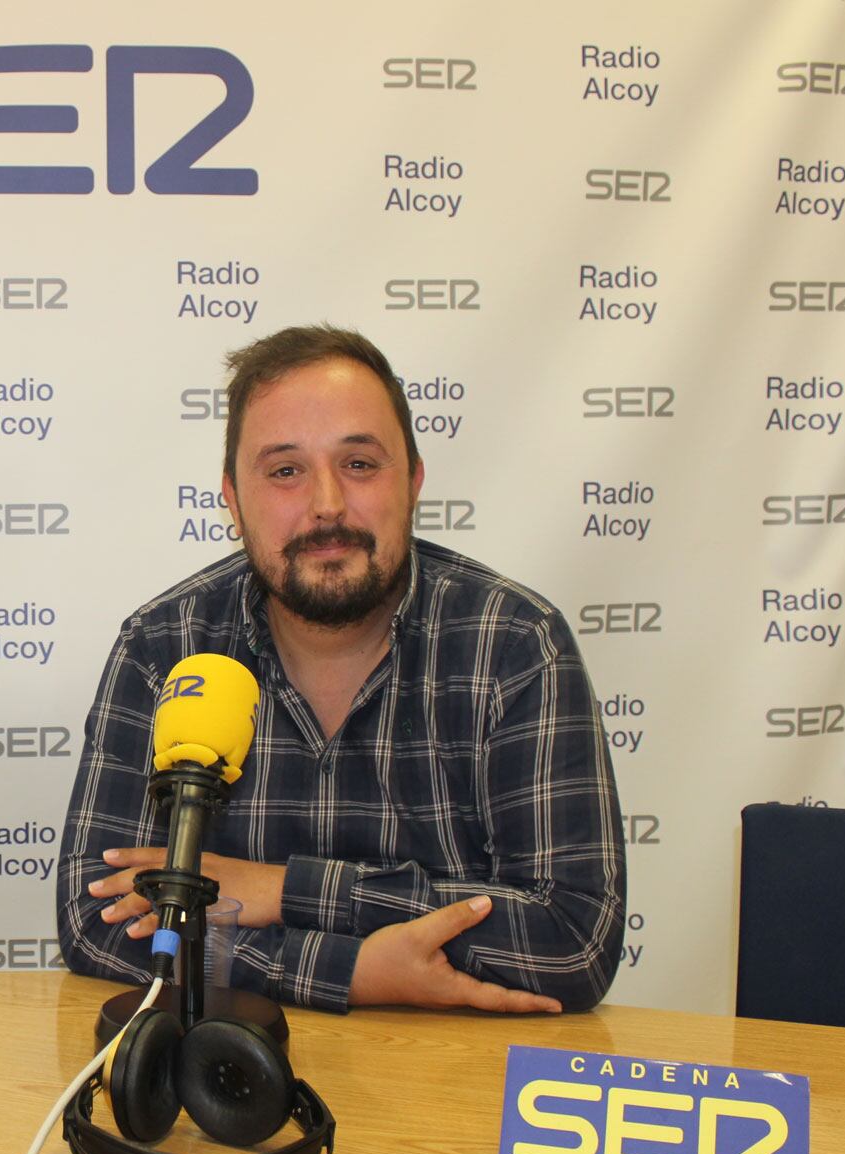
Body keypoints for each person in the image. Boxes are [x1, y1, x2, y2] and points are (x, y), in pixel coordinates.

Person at [57, 325, 624, 1015]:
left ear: (413, 482)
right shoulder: (163, 648)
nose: (326, 503)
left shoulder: (516, 647)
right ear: (233, 502)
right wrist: (350, 971)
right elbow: (98, 920)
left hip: (449, 1091)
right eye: (285, 471)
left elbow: (571, 937)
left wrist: (281, 890)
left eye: (359, 464)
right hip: (228, 1086)